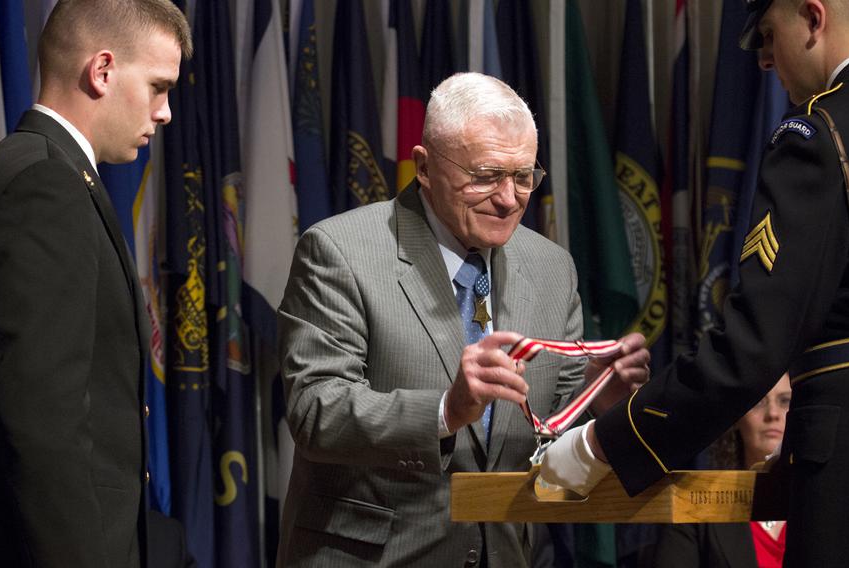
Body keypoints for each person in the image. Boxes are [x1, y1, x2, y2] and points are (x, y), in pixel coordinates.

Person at [276, 72, 650, 567]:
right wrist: (445, 412)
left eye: (523, 177)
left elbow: (549, 439)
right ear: (424, 167)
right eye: (487, 175)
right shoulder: (340, 251)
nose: (509, 198)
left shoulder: (552, 268)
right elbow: (315, 410)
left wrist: (595, 401)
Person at [539, 0, 849, 565]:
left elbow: (751, 348)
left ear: (812, 17)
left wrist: (601, 444)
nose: (762, 61)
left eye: (766, 34)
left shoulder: (818, 133)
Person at [0, 1, 191, 566]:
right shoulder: (46, 185)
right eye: (157, 86)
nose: (166, 111)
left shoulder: (42, 170)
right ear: (101, 70)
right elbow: (43, 426)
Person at [652, 374, 792, 568]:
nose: (773, 414)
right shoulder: (693, 502)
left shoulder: (827, 502)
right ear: (736, 417)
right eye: (758, 402)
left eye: (785, 401)